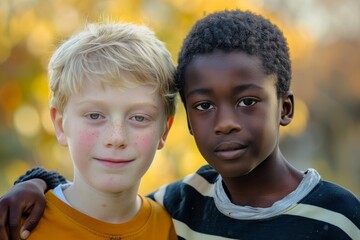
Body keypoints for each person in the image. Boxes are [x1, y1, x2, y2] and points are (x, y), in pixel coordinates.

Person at [1, 9, 360, 240]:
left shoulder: (342, 218)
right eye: (204, 105)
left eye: (248, 101)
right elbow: (93, 205)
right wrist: (38, 183)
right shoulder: (185, 202)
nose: (226, 124)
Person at [0, 21, 178, 239]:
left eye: (139, 118)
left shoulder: (173, 228)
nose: (116, 138)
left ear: (164, 131)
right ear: (59, 124)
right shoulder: (14, 227)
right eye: (95, 116)